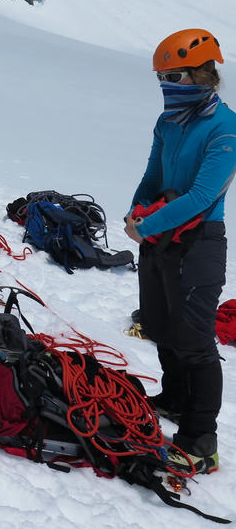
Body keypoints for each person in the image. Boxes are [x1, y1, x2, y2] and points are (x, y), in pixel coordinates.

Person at [125, 28, 235, 474]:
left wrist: (147, 225)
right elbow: (153, 174)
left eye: (173, 76)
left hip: (199, 243)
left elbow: (202, 195)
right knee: (159, 324)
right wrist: (136, 211)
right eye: (161, 77)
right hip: (159, 238)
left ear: (200, 74)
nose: (166, 85)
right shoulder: (168, 121)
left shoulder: (224, 126)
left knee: (194, 342)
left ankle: (199, 439)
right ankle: (174, 399)